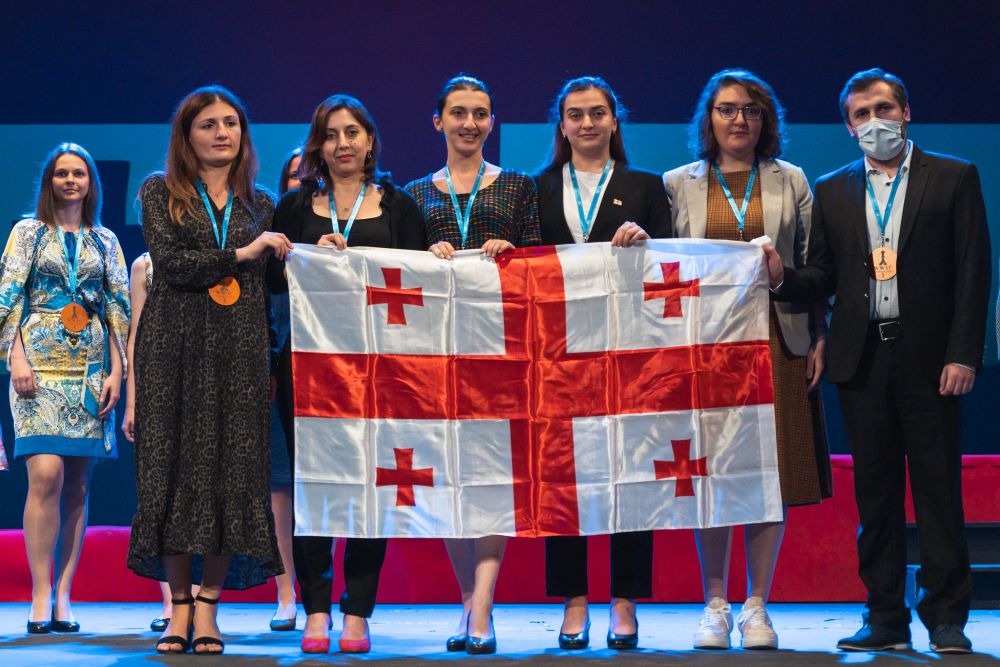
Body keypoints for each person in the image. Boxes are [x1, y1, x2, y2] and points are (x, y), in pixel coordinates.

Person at [764, 68, 990, 654]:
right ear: (848, 126)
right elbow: (822, 276)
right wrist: (781, 276)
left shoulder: (954, 176)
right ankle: (884, 616)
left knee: (938, 491)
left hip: (931, 360)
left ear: (905, 112)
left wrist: (963, 354)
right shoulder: (833, 188)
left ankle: (946, 617)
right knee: (876, 493)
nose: (874, 122)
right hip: (861, 359)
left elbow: (974, 272)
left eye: (884, 109)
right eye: (861, 114)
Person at [664, 69, 831, 650]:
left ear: (766, 120)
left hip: (777, 342)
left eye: (751, 110)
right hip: (703, 349)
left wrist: (819, 333)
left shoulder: (792, 179)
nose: (739, 120)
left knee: (770, 474)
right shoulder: (676, 183)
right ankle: (714, 604)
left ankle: (757, 604)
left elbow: (816, 268)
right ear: (708, 119)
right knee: (710, 472)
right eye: (727, 109)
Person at [126, 85, 292, 655]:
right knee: (170, 473)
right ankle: (178, 606)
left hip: (240, 353)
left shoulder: (261, 203)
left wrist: (317, 252)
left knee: (232, 475)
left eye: (231, 123)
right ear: (187, 135)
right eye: (208, 124)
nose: (222, 133)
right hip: (172, 350)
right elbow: (171, 264)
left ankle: (208, 608)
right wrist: (243, 254)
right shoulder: (160, 191)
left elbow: (274, 280)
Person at [267, 94, 427, 655]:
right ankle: (315, 608)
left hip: (382, 370)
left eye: (353, 132)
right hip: (307, 369)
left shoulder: (400, 205)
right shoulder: (293, 207)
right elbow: (270, 284)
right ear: (318, 145)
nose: (343, 144)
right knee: (312, 485)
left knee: (370, 485)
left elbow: (420, 281)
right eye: (332, 134)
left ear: (370, 140)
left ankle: (357, 609)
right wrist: (308, 255)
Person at [405, 74, 541, 655]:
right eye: (458, 113)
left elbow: (541, 266)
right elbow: (400, 272)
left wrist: (514, 255)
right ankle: (468, 601)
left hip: (499, 352)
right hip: (434, 355)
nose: (469, 123)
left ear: (492, 122)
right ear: (438, 121)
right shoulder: (413, 193)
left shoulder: (518, 187)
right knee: (449, 479)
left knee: (491, 478)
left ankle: (482, 605)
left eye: (480, 113)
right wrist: (423, 256)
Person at [534, 75, 671, 651]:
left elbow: (671, 267)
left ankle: (624, 600)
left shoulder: (646, 186)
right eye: (576, 114)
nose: (587, 123)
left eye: (597, 113)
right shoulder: (537, 188)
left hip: (629, 352)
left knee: (630, 471)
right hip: (557, 352)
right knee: (565, 475)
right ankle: (573, 599)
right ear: (562, 125)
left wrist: (649, 242)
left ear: (615, 121)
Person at [0, 143, 130, 634]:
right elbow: (7, 296)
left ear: (91, 182)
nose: (70, 181)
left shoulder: (106, 240)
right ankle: (38, 592)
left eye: (79, 173)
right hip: (36, 370)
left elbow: (118, 309)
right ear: (49, 181)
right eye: (61, 173)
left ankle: (63, 596)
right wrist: (14, 357)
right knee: (45, 475)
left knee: (77, 481)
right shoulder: (27, 232)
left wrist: (118, 371)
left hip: (90, 372)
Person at [265, 146, 305, 633]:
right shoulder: (269, 245)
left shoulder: (340, 242)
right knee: (280, 488)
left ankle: (320, 590)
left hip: (332, 385)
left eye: (309, 175)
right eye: (294, 175)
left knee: (327, 487)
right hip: (277, 378)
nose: (302, 182)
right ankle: (285, 593)